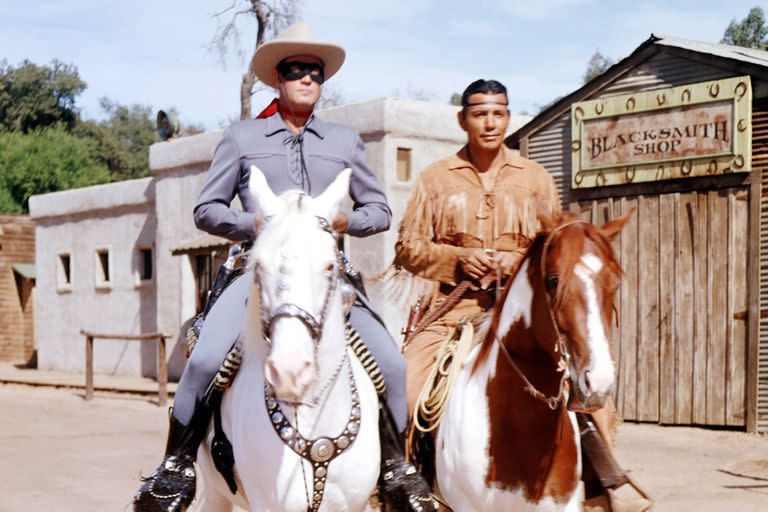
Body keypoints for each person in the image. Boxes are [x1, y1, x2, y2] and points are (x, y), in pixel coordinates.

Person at [133, 22, 435, 512]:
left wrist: (345, 218)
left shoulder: (343, 141)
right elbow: (205, 209)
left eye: (315, 72)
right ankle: (176, 465)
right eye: (296, 71)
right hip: (258, 273)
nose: (307, 79)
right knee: (208, 359)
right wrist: (252, 222)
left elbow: (379, 212)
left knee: (393, 364)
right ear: (279, 79)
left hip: (326, 277)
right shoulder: (243, 136)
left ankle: (397, 469)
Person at [394, 79, 649, 512]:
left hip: (526, 316)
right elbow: (407, 248)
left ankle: (596, 486)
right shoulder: (435, 179)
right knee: (408, 387)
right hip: (454, 312)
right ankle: (408, 485)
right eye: (479, 114)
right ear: (463, 119)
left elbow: (555, 246)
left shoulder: (534, 179)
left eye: (498, 113)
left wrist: (516, 262)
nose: (489, 123)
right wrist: (460, 259)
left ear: (508, 117)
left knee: (592, 397)